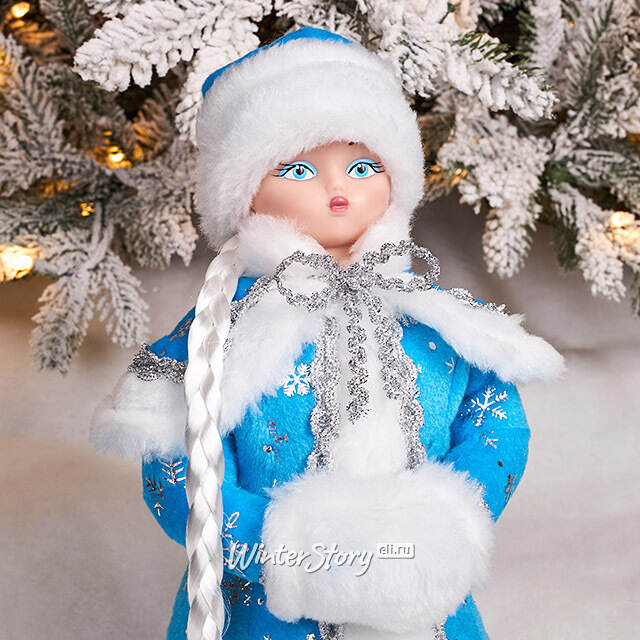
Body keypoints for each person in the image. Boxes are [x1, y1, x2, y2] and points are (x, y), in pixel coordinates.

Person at [90, 26, 565, 640]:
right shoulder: (220, 329)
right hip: (264, 609)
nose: (338, 188)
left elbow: (497, 426)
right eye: (297, 169)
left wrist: (450, 525)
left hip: (425, 599)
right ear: (245, 194)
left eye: (362, 166)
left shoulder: (437, 318)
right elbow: (176, 466)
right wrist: (283, 551)